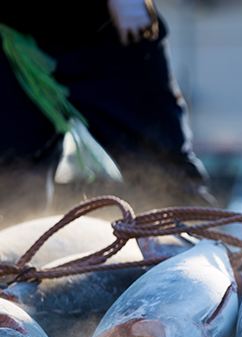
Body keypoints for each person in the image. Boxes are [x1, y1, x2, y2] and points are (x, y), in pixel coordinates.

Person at [0, 0, 213, 227]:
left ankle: (193, 243)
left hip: (113, 34)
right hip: (13, 43)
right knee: (10, 175)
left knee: (163, 167)